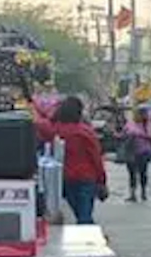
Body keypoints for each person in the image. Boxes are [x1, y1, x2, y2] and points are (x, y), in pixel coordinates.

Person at [35, 96, 107, 225]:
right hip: (86, 177)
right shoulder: (85, 132)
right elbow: (96, 158)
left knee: (80, 213)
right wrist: (102, 180)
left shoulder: (55, 130)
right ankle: (89, 239)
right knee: (84, 215)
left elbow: (40, 123)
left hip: (66, 177)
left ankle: (88, 237)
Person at [121, 107, 151, 202]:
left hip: (143, 152)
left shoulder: (148, 124)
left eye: (141, 114)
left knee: (143, 173)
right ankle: (132, 194)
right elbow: (123, 134)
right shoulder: (129, 123)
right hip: (131, 152)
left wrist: (138, 134)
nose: (139, 116)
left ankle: (143, 192)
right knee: (132, 173)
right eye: (137, 114)